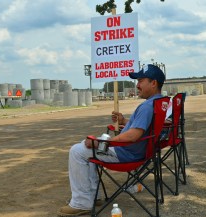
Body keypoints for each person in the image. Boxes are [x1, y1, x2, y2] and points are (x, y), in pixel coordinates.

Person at [57, 64, 166, 217]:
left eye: (141, 81)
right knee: (85, 148)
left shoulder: (147, 106)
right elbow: (143, 128)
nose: (138, 85)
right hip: (137, 151)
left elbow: (133, 135)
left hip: (126, 153)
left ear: (153, 83)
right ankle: (93, 197)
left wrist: (103, 143)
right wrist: (124, 121)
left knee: (77, 151)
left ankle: (82, 202)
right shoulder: (159, 103)